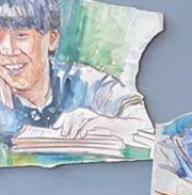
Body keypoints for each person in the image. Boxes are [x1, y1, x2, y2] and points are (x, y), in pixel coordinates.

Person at [0, 0, 153, 151]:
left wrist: (104, 124)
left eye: (21, 35)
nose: (7, 49)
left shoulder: (85, 81)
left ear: (52, 39)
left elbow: (148, 128)